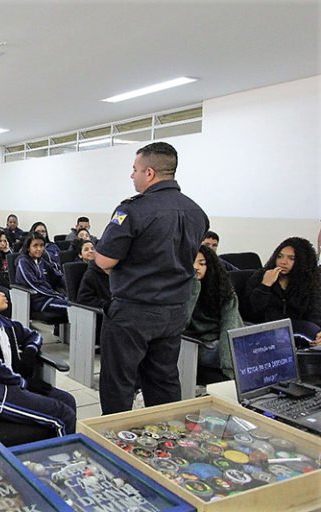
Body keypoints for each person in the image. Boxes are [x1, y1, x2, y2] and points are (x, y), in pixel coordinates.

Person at [94, 142, 209, 414]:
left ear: (149, 173)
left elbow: (104, 259)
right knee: (164, 378)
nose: (131, 175)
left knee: (119, 381)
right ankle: (165, 439)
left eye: (134, 170)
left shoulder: (132, 210)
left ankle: (116, 439)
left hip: (134, 310)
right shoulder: (197, 212)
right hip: (175, 310)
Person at [0, 278, 77, 435]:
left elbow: (33, 335)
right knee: (63, 415)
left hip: (7, 385)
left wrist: (30, 352)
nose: (3, 293)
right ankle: (65, 457)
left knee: (67, 400)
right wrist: (23, 383)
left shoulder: (3, 323)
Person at [244, 237, 321, 347]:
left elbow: (316, 313)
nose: (283, 262)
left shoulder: (309, 281)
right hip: (266, 332)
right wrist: (265, 286)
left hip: (298, 332)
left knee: (314, 335)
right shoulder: (261, 277)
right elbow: (251, 313)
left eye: (291, 258)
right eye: (280, 256)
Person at [184, 245, 244, 383]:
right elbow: (181, 324)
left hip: (221, 340)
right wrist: (193, 289)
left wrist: (229, 367)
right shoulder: (178, 289)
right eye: (191, 262)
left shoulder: (223, 290)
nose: (196, 267)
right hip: (194, 342)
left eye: (202, 263)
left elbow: (230, 326)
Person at [15, 233, 69, 315]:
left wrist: (68, 288)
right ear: (28, 247)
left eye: (42, 245)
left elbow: (57, 276)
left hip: (49, 297)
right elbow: (34, 285)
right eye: (35, 246)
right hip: (38, 301)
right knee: (74, 308)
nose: (39, 249)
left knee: (78, 305)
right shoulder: (23, 262)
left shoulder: (42, 261)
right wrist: (56, 295)